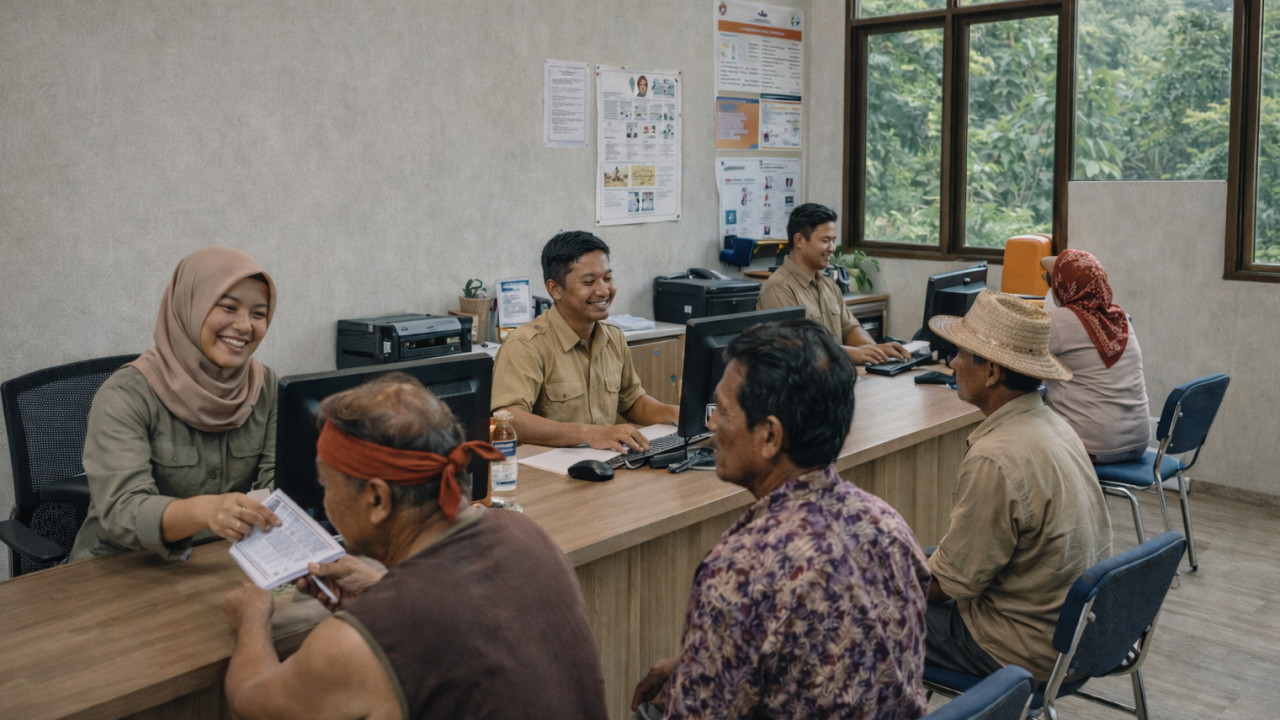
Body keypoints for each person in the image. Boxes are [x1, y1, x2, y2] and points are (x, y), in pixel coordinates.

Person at [221, 373, 609, 720]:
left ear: (378, 499)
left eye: (327, 486)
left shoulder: (352, 646)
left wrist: (251, 620)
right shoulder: (527, 532)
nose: (324, 501)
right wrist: (382, 593)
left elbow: (250, 705)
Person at [630, 320, 930, 720]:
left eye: (721, 411)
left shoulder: (740, 570)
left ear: (770, 436)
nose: (711, 425)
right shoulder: (889, 526)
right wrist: (700, 662)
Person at [924, 290, 1113, 681]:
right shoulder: (1056, 425)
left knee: (856, 612)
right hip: (1071, 633)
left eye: (961, 353)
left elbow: (948, 584)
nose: (953, 362)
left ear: (992, 372)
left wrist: (873, 584)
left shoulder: (994, 458)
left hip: (1017, 648)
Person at [70, 247, 282, 562]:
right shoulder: (124, 395)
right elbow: (122, 511)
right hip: (121, 566)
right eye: (228, 307)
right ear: (190, 306)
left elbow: (279, 483)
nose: (244, 326)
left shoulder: (265, 385)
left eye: (259, 314)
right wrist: (204, 511)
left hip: (219, 559)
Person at [492, 231, 678, 453]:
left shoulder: (614, 337)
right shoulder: (525, 344)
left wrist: (673, 413)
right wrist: (590, 434)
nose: (603, 290)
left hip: (607, 462)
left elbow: (631, 401)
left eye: (607, 279)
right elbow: (510, 420)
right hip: (549, 468)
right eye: (588, 282)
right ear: (555, 289)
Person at [756, 203, 909, 364]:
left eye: (833, 241)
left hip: (838, 374)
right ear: (800, 240)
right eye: (825, 241)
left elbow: (850, 328)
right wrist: (851, 354)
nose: (832, 248)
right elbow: (796, 349)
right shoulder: (778, 289)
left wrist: (873, 350)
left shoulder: (829, 285)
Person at [1041, 250, 1151, 463]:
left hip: (1095, 446)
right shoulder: (1121, 318)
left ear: (1062, 286)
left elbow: (1013, 351)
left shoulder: (1059, 320)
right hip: (1139, 442)